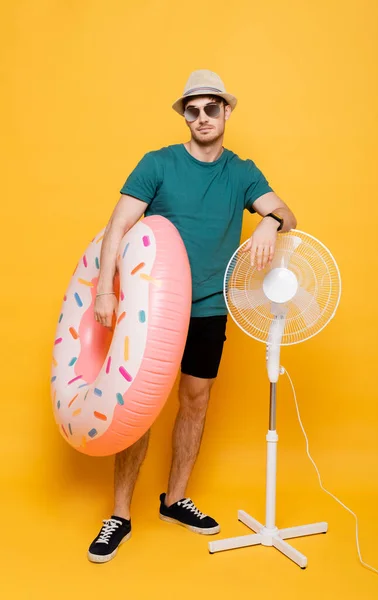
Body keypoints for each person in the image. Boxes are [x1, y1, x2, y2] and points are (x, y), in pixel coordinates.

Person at [87, 69, 297, 563]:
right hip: (150, 310)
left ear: (227, 112)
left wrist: (267, 220)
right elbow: (117, 227)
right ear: (185, 115)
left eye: (211, 108)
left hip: (208, 308)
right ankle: (119, 513)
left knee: (196, 401)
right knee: (138, 407)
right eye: (193, 109)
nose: (202, 117)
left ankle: (175, 500)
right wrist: (103, 290)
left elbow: (288, 213)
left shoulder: (243, 172)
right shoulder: (156, 164)